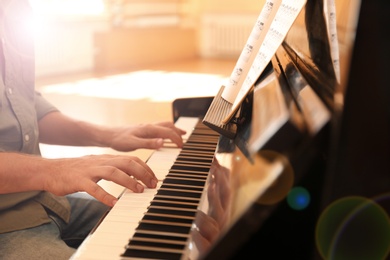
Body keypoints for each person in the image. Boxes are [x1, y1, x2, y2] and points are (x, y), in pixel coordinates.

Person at [0, 0, 186, 259]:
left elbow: (23, 105)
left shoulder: (16, 8)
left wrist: (109, 135)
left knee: (172, 223)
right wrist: (54, 170)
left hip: (44, 201)